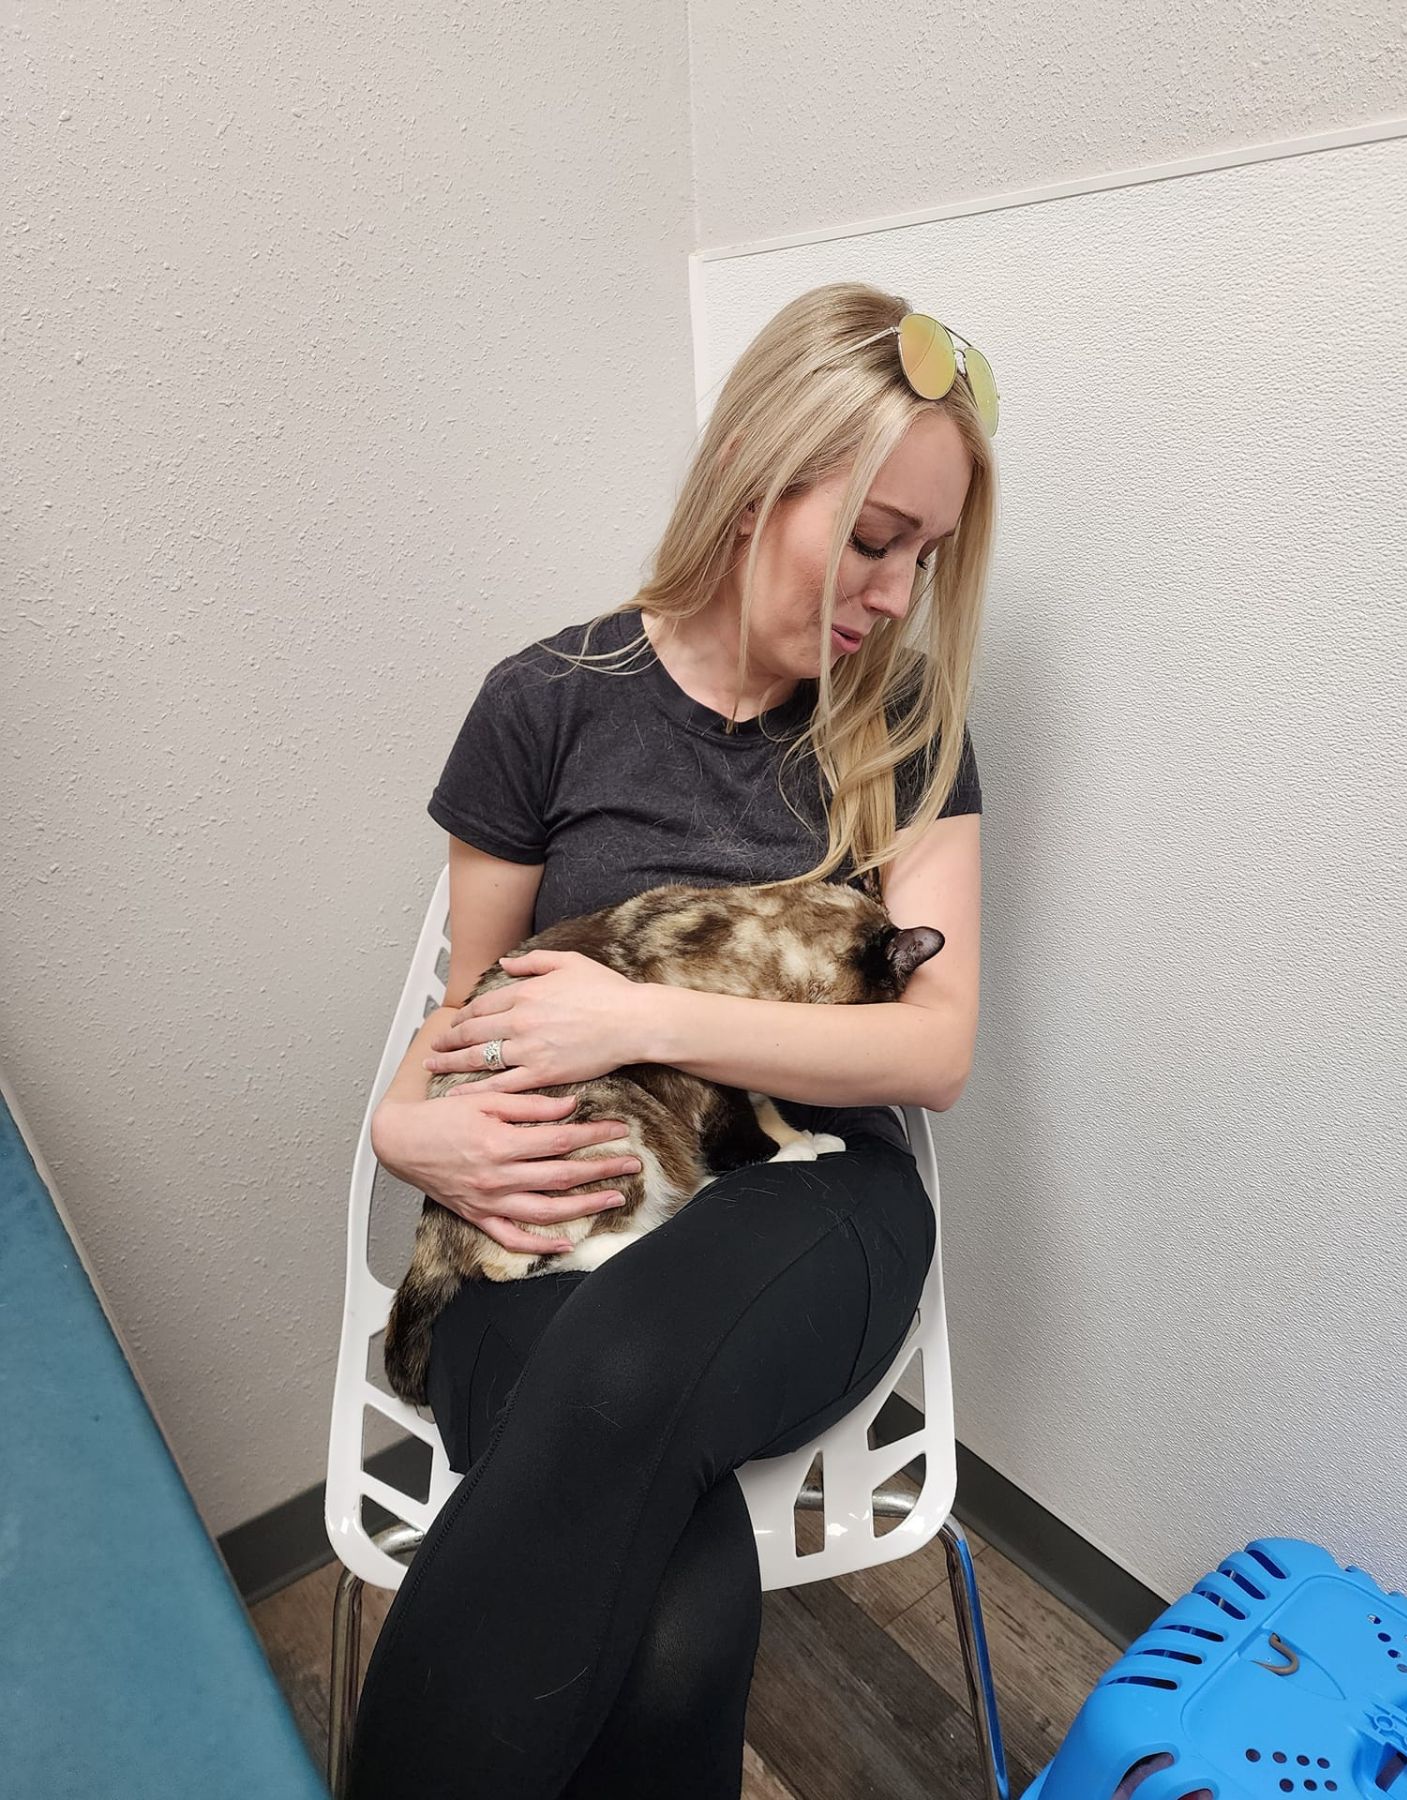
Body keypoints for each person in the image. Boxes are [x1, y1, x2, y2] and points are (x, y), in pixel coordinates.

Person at [347, 279, 998, 1800]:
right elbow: (475, 999)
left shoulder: (908, 730)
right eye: (878, 537)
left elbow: (939, 1050)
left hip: (812, 1199)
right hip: (556, 1186)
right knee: (679, 1633)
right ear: (759, 480)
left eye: (931, 556)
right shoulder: (548, 703)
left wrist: (642, 1011)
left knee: (629, 1382)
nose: (899, 595)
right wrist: (398, 1123)